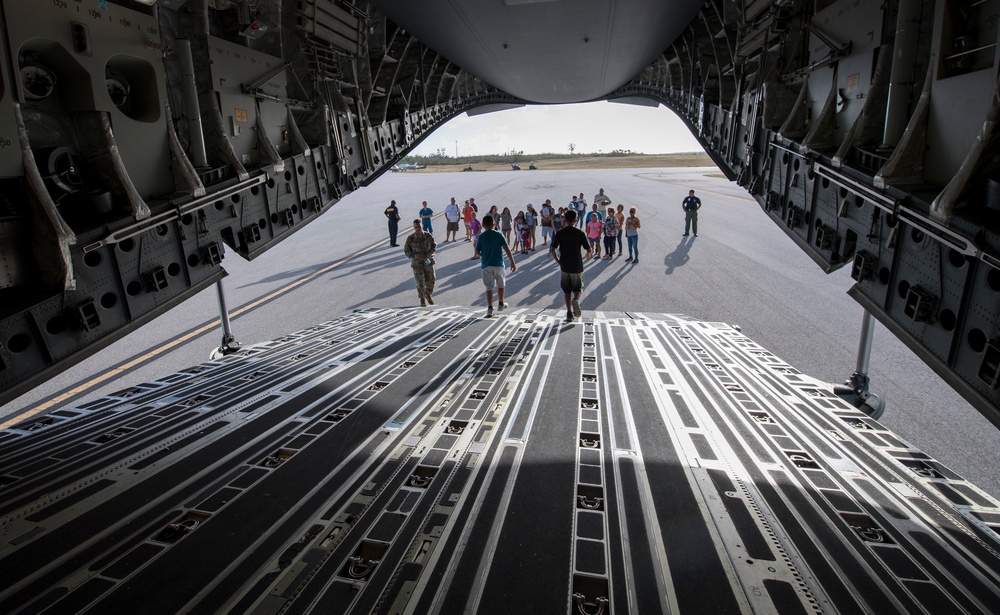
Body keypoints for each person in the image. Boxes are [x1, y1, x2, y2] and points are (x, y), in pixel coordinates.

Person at [550, 210, 592, 322]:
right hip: (577, 265)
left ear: (565, 219)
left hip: (564, 265)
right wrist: (588, 254)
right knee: (578, 287)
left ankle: (569, 312)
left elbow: (552, 249)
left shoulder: (560, 233)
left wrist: (557, 260)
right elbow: (588, 248)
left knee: (566, 290)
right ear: (575, 220)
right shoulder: (580, 233)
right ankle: (576, 300)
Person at [475, 214, 517, 318]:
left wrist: (483, 255)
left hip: (486, 264)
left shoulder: (481, 236)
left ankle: (490, 308)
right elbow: (506, 248)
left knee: (489, 286)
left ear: (483, 225)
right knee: (501, 284)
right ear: (494, 224)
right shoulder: (499, 234)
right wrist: (512, 261)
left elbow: (477, 251)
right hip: (498, 263)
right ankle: (501, 303)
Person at [403, 219, 437, 306]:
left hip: (428, 262)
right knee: (420, 283)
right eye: (415, 227)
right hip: (417, 264)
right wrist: (416, 256)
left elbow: (434, 246)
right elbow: (407, 251)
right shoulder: (410, 238)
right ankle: (422, 299)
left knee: (431, 280)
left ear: (422, 226)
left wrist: (428, 255)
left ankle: (428, 294)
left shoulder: (428, 236)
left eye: (419, 227)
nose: (417, 229)